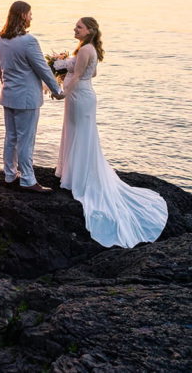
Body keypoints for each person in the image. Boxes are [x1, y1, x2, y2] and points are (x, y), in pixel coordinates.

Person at [55, 17, 168, 247]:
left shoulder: (86, 49)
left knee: (80, 136)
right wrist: (66, 66)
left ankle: (78, 177)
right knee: (79, 135)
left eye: (79, 27)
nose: (75, 29)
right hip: (84, 95)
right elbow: (91, 74)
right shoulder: (88, 49)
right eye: (76, 26)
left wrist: (63, 91)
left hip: (79, 97)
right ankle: (73, 171)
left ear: (90, 31)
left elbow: (77, 75)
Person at [0, 1, 64, 193]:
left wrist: (7, 86)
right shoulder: (29, 41)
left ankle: (9, 175)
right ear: (23, 15)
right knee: (26, 139)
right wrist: (57, 91)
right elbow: (42, 68)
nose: (32, 17)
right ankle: (27, 179)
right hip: (26, 98)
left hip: (8, 94)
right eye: (30, 13)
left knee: (11, 137)